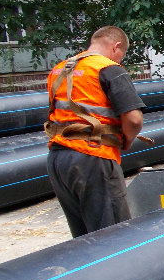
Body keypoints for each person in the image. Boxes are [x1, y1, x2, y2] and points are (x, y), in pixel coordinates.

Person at [45, 26, 146, 238]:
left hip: (58, 159)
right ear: (116, 46)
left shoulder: (60, 69)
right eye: (121, 55)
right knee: (112, 234)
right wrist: (126, 141)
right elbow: (134, 120)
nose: (119, 60)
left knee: (83, 237)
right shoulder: (108, 69)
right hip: (93, 157)